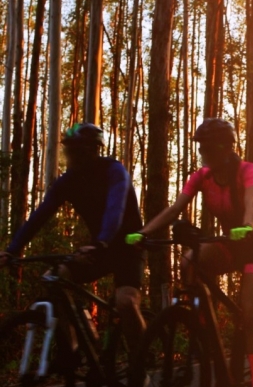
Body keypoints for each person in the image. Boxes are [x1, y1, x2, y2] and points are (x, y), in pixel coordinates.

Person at [126, 118, 253, 387]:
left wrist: (247, 226)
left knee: (250, 315)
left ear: (224, 149)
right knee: (188, 262)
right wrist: (144, 232)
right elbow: (175, 209)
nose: (202, 153)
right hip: (230, 243)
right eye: (200, 147)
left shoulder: (246, 170)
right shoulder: (202, 177)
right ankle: (202, 324)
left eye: (207, 148)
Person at [0, 122, 146, 358]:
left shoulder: (114, 171)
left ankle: (141, 360)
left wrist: (101, 241)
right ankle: (77, 348)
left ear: (90, 151)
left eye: (74, 151)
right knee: (53, 279)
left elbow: (114, 210)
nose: (69, 157)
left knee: (126, 302)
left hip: (127, 248)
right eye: (67, 151)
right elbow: (39, 217)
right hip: (98, 248)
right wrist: (12, 250)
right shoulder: (68, 181)